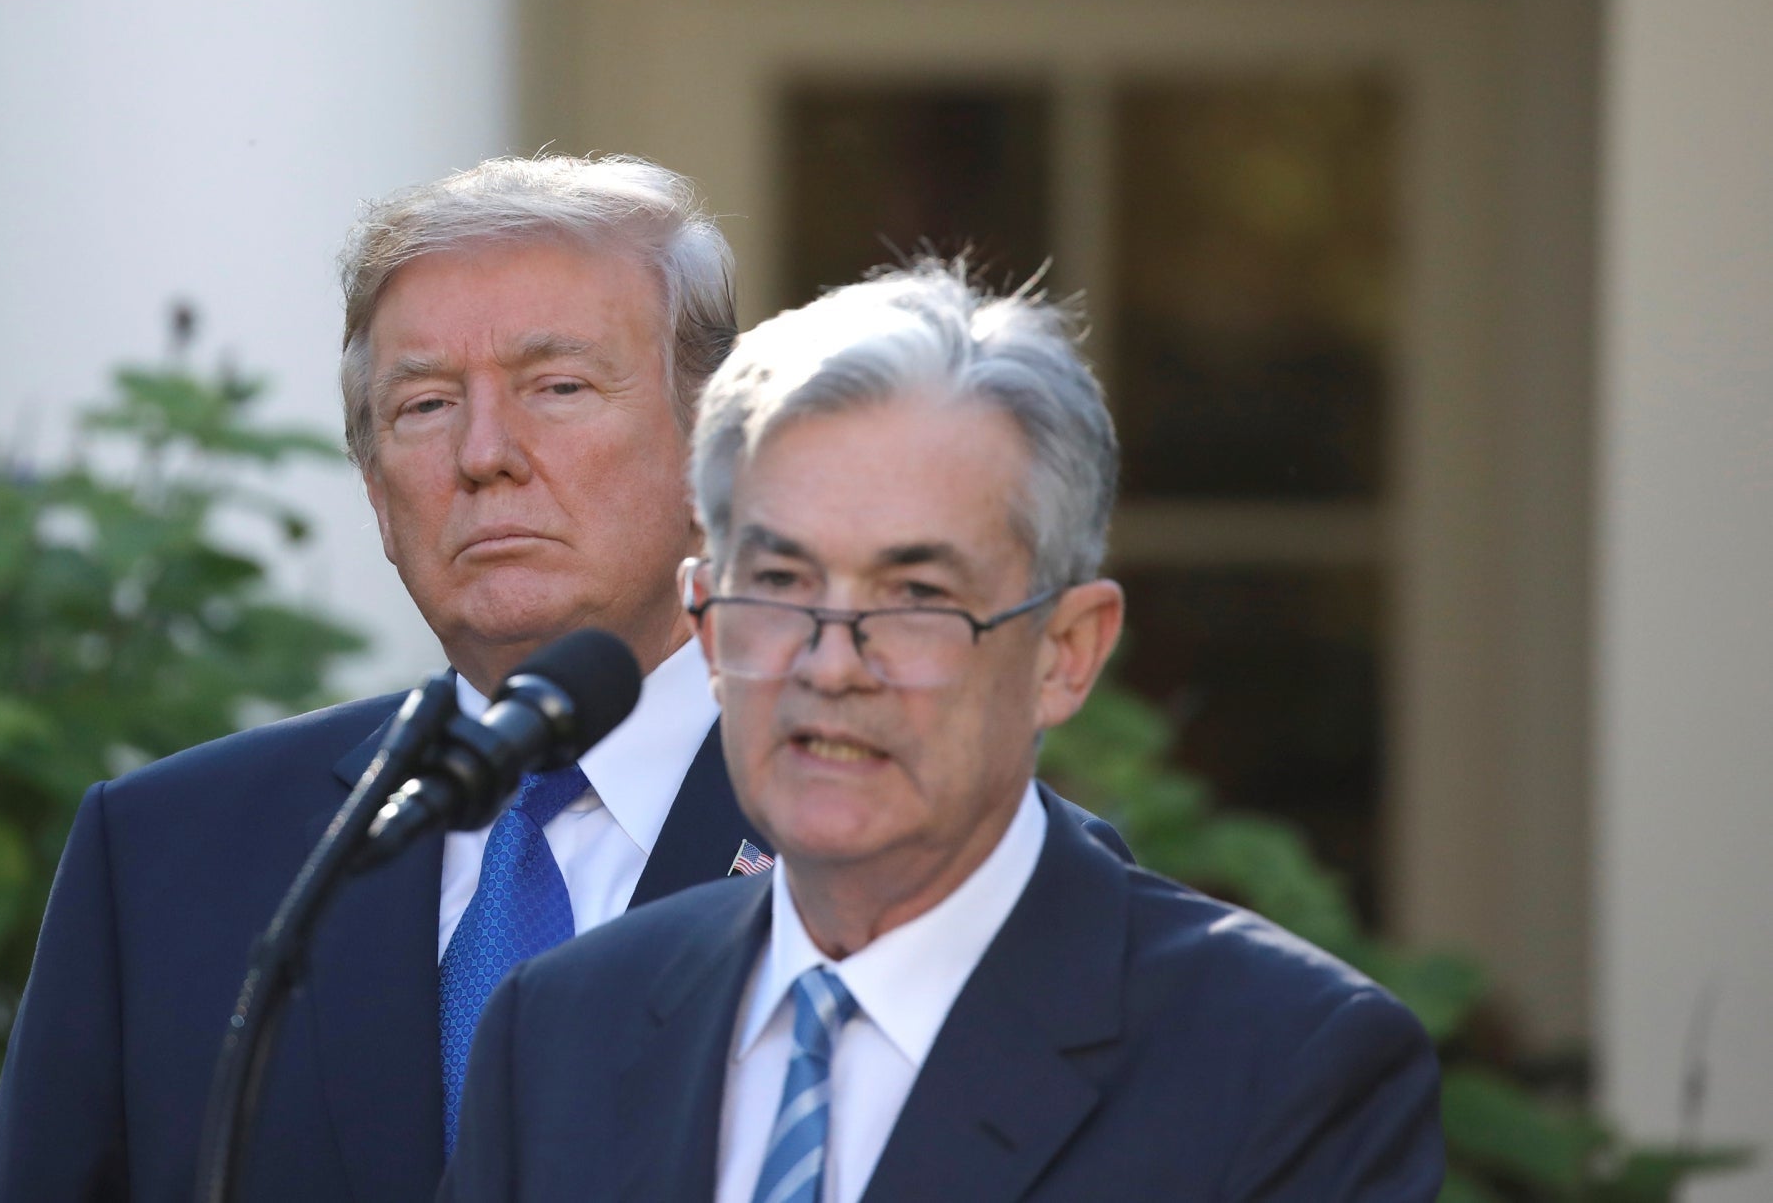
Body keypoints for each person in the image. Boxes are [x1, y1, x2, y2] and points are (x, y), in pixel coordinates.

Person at [442, 262, 1444, 1203]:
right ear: (704, 622)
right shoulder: (559, 1028)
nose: (829, 664)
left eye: (916, 596)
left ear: (1065, 652)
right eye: (781, 585)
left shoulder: (1282, 1065)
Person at [0, 155, 768, 1203]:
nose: (484, 453)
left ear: (717, 446)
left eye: (558, 387)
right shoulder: (171, 856)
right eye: (426, 405)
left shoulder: (868, 829)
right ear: (374, 483)